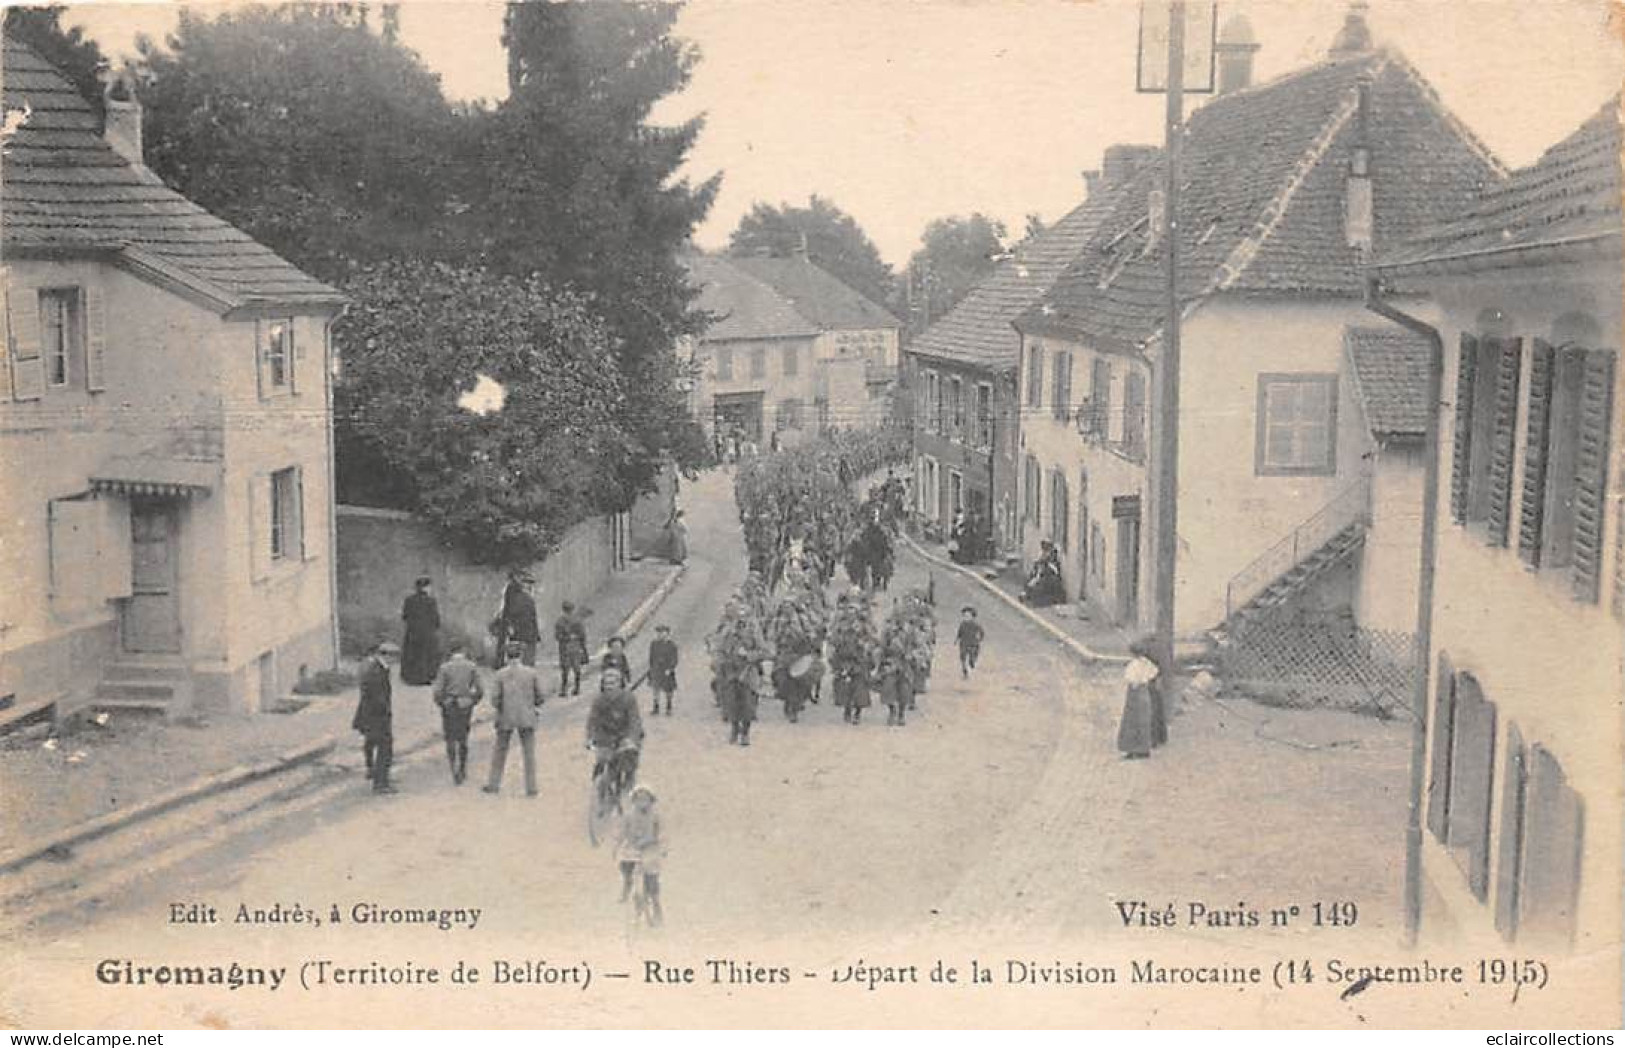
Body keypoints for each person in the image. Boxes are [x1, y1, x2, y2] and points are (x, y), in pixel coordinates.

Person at [483, 641, 545, 796]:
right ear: (521, 655)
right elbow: (540, 696)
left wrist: (500, 708)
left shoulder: (500, 674)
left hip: (506, 716)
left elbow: (495, 698)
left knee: (500, 750)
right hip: (527, 716)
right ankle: (531, 787)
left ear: (506, 655)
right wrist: (533, 705)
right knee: (529, 753)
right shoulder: (531, 673)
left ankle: (494, 784)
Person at [587, 666, 645, 802]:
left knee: (628, 761)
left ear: (620, 683)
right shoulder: (599, 701)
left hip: (625, 736)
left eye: (613, 683)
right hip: (606, 738)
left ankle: (629, 788)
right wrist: (590, 738)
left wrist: (631, 738)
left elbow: (634, 721)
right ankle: (600, 791)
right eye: (606, 684)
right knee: (602, 762)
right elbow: (592, 721)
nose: (610, 687)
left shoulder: (629, 699)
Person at [431, 642, 483, 785]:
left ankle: (453, 767)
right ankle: (462, 768)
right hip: (465, 704)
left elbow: (437, 691)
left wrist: (441, 703)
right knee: (463, 737)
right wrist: (473, 701)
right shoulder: (471, 666)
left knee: (450, 737)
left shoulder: (445, 667)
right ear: (463, 650)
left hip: (449, 704)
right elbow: (480, 689)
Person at [352, 642, 399, 795]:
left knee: (375, 744)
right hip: (377, 716)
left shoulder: (377, 668)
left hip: (371, 715)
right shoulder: (377, 671)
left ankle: (376, 775)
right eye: (394, 656)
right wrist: (385, 711)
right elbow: (377, 696)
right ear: (386, 655)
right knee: (385, 749)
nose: (395, 660)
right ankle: (381, 783)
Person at [617, 783, 666, 927]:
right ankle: (628, 883)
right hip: (632, 849)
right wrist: (618, 845)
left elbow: (663, 834)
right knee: (625, 863)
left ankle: (656, 906)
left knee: (652, 877)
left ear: (651, 801)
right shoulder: (629, 816)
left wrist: (662, 847)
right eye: (638, 800)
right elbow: (622, 833)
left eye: (645, 800)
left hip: (650, 849)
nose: (642, 803)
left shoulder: (656, 816)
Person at [1116, 636, 1162, 760]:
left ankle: (1134, 749)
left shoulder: (1134, 664)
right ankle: (1143, 748)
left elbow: (1131, 679)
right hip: (1144, 692)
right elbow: (1154, 672)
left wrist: (1138, 682)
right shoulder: (1147, 663)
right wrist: (1146, 680)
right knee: (1143, 721)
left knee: (1132, 721)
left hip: (1135, 693)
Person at [400, 577, 442, 686]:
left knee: (412, 654)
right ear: (426, 587)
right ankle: (425, 677)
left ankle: (410, 677)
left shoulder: (409, 600)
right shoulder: (431, 601)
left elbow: (404, 616)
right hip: (427, 633)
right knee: (426, 655)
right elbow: (436, 619)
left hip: (412, 632)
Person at [500, 571, 541, 666]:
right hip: (524, 634)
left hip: (520, 634)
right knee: (526, 660)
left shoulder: (516, 598)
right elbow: (530, 618)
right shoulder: (525, 599)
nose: (530, 587)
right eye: (528, 584)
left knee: (521, 659)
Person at [554, 601, 589, 697]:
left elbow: (557, 636)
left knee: (565, 669)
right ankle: (577, 687)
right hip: (575, 645)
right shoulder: (577, 621)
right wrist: (583, 648)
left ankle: (564, 689)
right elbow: (582, 635)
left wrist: (565, 638)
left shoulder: (559, 621)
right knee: (576, 668)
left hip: (564, 647)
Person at [1022, 540, 1066, 607]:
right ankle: (1026, 594)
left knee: (1040, 584)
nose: (1044, 550)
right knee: (1031, 580)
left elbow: (1054, 569)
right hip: (1041, 574)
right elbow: (1039, 563)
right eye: (1044, 547)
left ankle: (1033, 598)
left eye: (1046, 547)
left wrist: (1045, 565)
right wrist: (1038, 565)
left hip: (1050, 578)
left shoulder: (1053, 556)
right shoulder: (1042, 554)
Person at [647, 625, 679, 716]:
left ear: (667, 633)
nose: (660, 635)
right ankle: (656, 707)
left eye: (663, 632)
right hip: (656, 669)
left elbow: (675, 659)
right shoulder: (654, 644)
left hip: (667, 670)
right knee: (655, 688)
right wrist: (651, 668)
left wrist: (670, 668)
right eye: (658, 633)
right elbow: (651, 657)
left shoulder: (672, 645)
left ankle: (669, 707)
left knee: (669, 690)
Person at [956, 606, 985, 679]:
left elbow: (981, 632)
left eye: (968, 616)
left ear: (972, 617)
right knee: (963, 657)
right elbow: (959, 632)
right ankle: (964, 670)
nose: (966, 618)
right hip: (964, 643)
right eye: (965, 616)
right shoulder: (962, 624)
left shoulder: (976, 625)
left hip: (973, 643)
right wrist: (957, 639)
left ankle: (972, 662)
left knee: (972, 656)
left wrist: (980, 639)